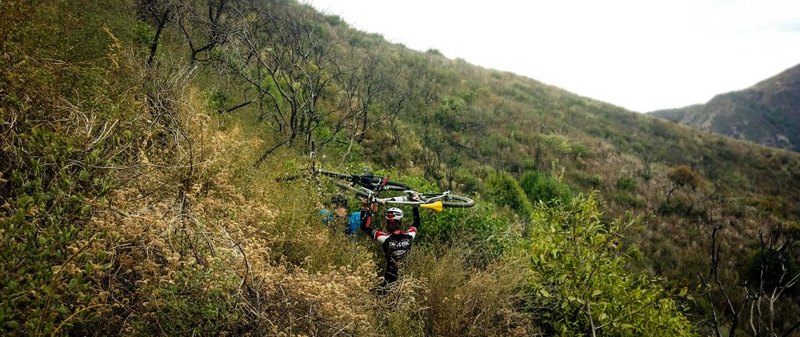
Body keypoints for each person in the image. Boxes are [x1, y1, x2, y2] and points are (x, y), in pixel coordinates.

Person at [359, 199, 421, 288]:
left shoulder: (384, 237)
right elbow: (417, 223)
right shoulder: (409, 235)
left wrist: (365, 208)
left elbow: (364, 227)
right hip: (406, 278)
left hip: (389, 279)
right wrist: (415, 206)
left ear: (387, 222)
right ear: (400, 221)